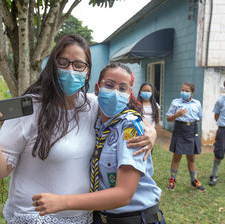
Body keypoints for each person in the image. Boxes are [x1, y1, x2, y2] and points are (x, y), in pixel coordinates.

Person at [0, 34, 156, 224]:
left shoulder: (92, 105)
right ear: (52, 66)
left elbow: (126, 115)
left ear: (87, 72)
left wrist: (150, 132)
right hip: (33, 216)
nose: (70, 70)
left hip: (81, 217)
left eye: (78, 65)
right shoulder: (30, 109)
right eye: (63, 62)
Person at [32, 63, 165, 224]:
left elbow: (124, 193)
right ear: (97, 88)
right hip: (101, 217)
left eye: (122, 88)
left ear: (129, 95)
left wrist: (62, 202)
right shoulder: (96, 121)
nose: (115, 93)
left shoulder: (130, 128)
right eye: (109, 85)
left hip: (134, 218)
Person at [166, 82, 205, 191]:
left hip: (191, 131)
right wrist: (177, 115)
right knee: (176, 157)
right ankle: (172, 180)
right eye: (183, 90)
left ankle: (194, 180)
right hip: (179, 130)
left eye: (187, 91)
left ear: (192, 93)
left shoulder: (197, 103)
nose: (184, 92)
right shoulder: (175, 102)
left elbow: (199, 117)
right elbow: (168, 118)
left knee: (191, 158)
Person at [208, 93, 225, 186]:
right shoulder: (220, 101)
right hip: (223, 129)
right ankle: (214, 176)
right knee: (219, 152)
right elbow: (216, 116)